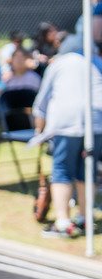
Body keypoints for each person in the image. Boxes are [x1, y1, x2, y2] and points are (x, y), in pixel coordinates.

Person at [33, 35, 102, 238]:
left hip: (67, 122)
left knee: (61, 169)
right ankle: (84, 217)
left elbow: (42, 102)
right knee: (86, 169)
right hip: (96, 121)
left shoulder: (59, 64)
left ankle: (63, 222)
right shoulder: (95, 62)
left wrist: (39, 131)